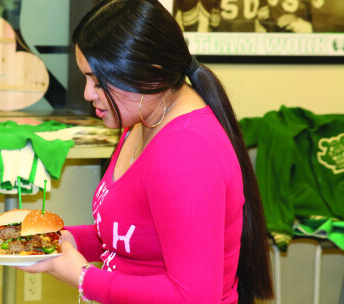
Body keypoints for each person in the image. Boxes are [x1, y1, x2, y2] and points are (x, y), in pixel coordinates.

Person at [17, 1, 274, 303]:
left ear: (150, 76)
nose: (88, 94)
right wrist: (66, 239)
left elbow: (193, 297)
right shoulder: (142, 116)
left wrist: (84, 277)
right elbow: (132, 238)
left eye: (98, 82)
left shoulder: (186, 153)